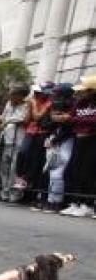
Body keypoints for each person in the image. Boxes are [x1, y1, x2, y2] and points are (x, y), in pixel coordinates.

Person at [14, 82, 54, 208]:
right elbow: (28, 120)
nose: (36, 94)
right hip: (31, 132)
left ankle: (31, 194)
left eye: (39, 92)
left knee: (36, 162)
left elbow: (37, 117)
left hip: (42, 134)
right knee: (22, 153)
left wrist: (32, 105)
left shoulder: (49, 103)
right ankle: (21, 178)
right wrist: (28, 108)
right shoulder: (33, 101)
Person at [61, 75, 96, 217]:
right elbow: (72, 116)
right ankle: (75, 202)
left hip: (93, 140)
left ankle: (87, 204)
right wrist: (68, 118)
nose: (82, 93)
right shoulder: (80, 103)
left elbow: (93, 120)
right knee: (73, 171)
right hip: (79, 139)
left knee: (89, 173)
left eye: (85, 90)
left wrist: (73, 119)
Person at [43, 84, 76, 214]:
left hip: (66, 141)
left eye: (57, 94)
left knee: (59, 171)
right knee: (52, 170)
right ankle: (51, 200)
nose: (54, 96)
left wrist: (63, 119)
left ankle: (57, 201)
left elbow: (70, 128)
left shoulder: (72, 106)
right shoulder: (53, 105)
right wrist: (55, 119)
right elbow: (45, 123)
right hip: (53, 139)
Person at [0, 83, 30, 202]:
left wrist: (8, 121)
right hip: (7, 138)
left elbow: (23, 119)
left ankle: (14, 192)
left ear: (21, 95)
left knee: (14, 168)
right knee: (4, 167)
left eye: (13, 94)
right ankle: (4, 190)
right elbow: (3, 117)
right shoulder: (8, 104)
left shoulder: (26, 105)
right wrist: (0, 119)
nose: (10, 97)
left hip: (19, 139)